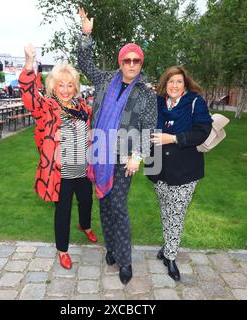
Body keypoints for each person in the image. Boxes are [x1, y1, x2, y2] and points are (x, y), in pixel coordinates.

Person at [78, 8, 157, 285]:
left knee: (119, 206)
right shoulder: (104, 80)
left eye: (137, 60)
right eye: (128, 60)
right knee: (105, 204)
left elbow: (148, 128)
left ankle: (125, 260)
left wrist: (137, 156)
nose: (132, 64)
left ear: (140, 63)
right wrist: (86, 35)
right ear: (121, 61)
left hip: (125, 159)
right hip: (99, 153)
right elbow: (85, 64)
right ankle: (111, 248)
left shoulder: (145, 92)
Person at [19, 44, 98, 270]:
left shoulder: (83, 107)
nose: (65, 89)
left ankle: (85, 225)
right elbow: (29, 96)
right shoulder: (47, 106)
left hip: (82, 169)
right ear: (53, 86)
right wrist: (29, 62)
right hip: (60, 173)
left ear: (76, 87)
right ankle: (63, 250)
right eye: (60, 85)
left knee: (86, 201)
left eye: (69, 85)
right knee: (63, 211)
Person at [148, 66, 212, 281]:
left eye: (178, 81)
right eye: (170, 81)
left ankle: (171, 257)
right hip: (158, 167)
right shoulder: (157, 102)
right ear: (164, 84)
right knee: (166, 210)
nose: (174, 85)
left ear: (185, 84)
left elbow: (202, 132)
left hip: (185, 170)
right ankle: (167, 245)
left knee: (176, 213)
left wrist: (173, 138)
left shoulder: (195, 102)